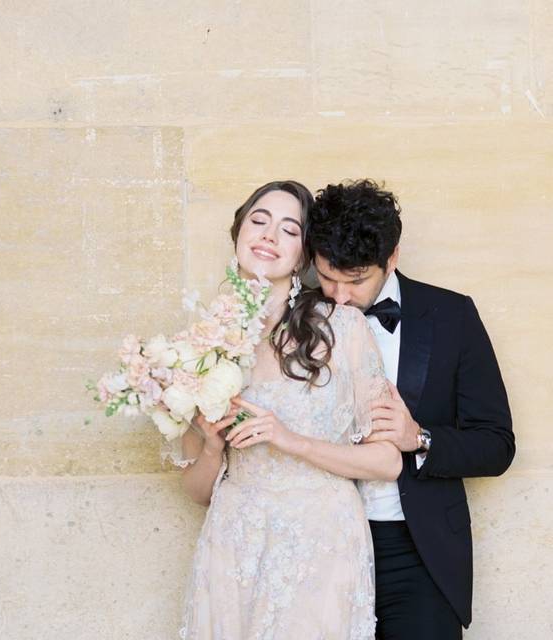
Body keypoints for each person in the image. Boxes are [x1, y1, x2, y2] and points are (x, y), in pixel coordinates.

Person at [170, 180, 401, 639]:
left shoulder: (343, 328)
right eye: (258, 221)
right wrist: (213, 446)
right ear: (238, 234)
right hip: (234, 543)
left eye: (289, 229)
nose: (269, 236)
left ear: (304, 255)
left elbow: (387, 460)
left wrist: (288, 439)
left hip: (320, 541)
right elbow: (198, 490)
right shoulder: (203, 342)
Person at [308, 179, 515, 639]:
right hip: (316, 544)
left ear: (393, 256)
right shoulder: (295, 320)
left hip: (416, 553)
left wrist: (418, 438)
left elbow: (497, 445)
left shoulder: (452, 315)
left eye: (356, 280)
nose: (339, 297)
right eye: (327, 277)